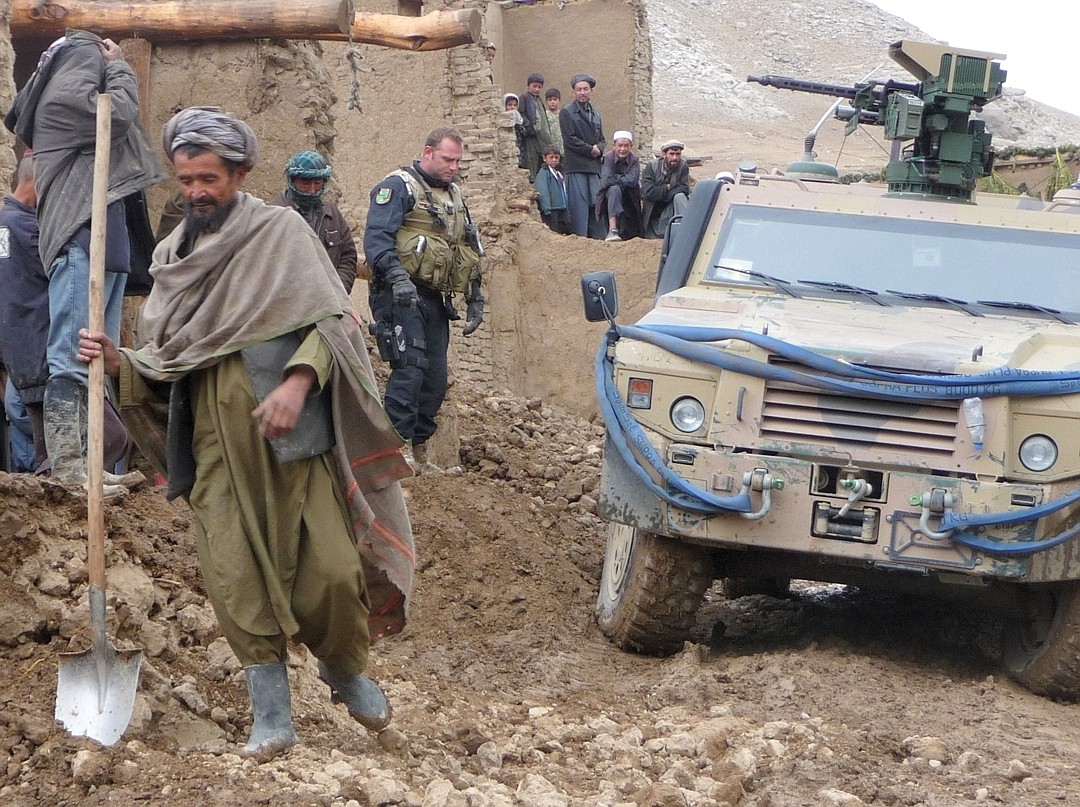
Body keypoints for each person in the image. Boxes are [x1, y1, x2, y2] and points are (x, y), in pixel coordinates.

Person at [76, 107, 416, 758]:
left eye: (210, 177)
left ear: (241, 171)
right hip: (213, 444)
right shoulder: (175, 253)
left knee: (333, 572)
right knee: (233, 577)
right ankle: (273, 714)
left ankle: (344, 669)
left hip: (293, 440)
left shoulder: (282, 231)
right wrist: (123, 361)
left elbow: (334, 323)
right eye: (186, 179)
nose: (197, 191)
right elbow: (170, 357)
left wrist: (295, 383)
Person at [4, 30, 164, 491]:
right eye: (94, 63)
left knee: (96, 357)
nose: (101, 70)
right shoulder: (61, 106)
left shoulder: (74, 113)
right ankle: (71, 469)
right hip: (80, 241)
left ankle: (91, 469)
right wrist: (119, 66)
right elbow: (117, 114)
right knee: (72, 355)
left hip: (104, 250)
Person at [363, 128, 484, 473]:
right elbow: (377, 240)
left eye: (458, 161)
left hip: (433, 295)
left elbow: (469, 246)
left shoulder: (454, 196)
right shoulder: (398, 187)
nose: (454, 167)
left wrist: (476, 296)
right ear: (428, 152)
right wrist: (398, 278)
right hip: (398, 293)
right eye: (448, 159)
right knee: (410, 368)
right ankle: (392, 452)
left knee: (434, 377)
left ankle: (420, 454)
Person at [270, 150, 358, 294]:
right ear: (292, 181)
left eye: (317, 183)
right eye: (305, 183)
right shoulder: (274, 216)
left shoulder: (332, 214)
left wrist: (338, 291)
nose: (312, 191)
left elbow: (347, 256)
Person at [559, 72, 607, 238]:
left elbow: (602, 139)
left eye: (585, 89)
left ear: (591, 91)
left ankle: (599, 241)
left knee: (597, 206)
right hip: (577, 166)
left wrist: (599, 148)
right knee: (579, 208)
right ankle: (580, 241)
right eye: (579, 89)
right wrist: (590, 150)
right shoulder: (567, 112)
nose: (582, 92)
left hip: (594, 168)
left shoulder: (596, 114)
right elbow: (570, 140)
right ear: (573, 92)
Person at [596, 130, 642, 242]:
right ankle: (613, 229)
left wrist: (615, 177)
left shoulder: (634, 160)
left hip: (629, 197)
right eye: (620, 145)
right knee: (614, 189)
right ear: (614, 146)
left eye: (626, 146)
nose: (623, 149)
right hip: (609, 197)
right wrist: (623, 178)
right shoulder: (608, 158)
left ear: (631, 146)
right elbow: (606, 180)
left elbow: (632, 181)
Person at [641, 139, 691, 240]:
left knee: (680, 196)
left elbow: (685, 188)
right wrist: (668, 187)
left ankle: (685, 231)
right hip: (654, 210)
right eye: (671, 154)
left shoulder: (683, 165)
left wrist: (665, 196)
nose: (675, 158)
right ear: (664, 154)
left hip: (671, 206)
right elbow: (648, 192)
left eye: (678, 154)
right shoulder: (652, 166)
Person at [535, 146, 571, 235]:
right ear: (544, 158)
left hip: (562, 207)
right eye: (551, 157)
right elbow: (543, 191)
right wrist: (546, 209)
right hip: (551, 209)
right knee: (554, 231)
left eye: (556, 157)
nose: (554, 160)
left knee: (565, 230)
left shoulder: (559, 173)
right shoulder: (543, 173)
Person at [519, 73, 545, 181]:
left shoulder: (539, 100)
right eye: (534, 86)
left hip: (541, 136)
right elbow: (520, 113)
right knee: (531, 160)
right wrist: (528, 126)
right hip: (530, 136)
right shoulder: (524, 97)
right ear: (528, 86)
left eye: (539, 87)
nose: (536, 89)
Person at [537, 87, 563, 157]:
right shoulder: (544, 115)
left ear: (559, 100)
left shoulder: (563, 114)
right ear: (546, 101)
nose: (552, 102)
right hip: (549, 146)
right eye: (550, 100)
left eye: (555, 99)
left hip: (562, 147)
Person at [504, 93, 527, 170]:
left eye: (515, 105)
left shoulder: (519, 119)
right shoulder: (502, 120)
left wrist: (518, 125)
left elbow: (524, 133)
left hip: (519, 149)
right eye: (509, 105)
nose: (512, 107)